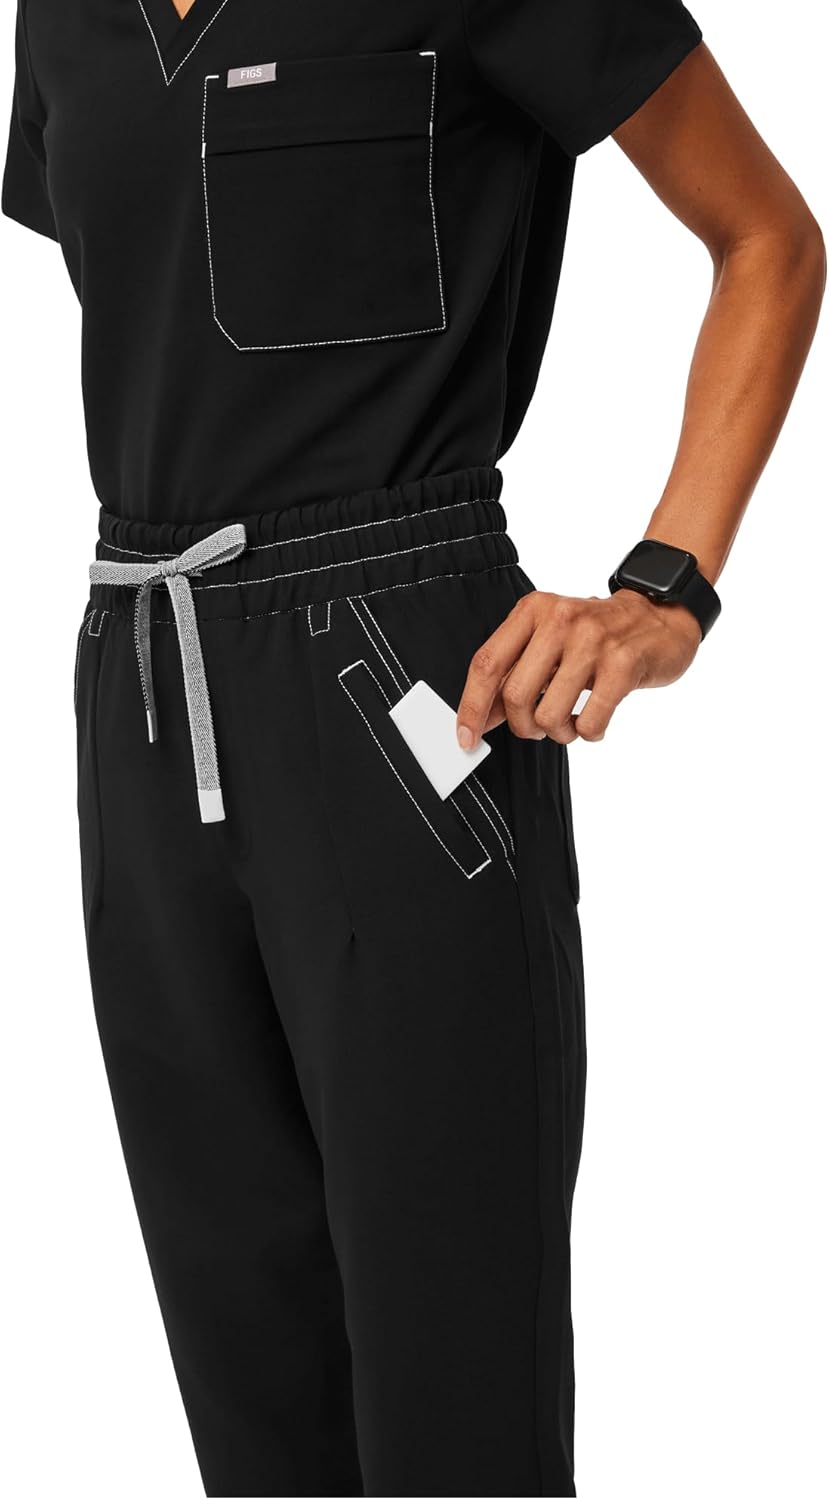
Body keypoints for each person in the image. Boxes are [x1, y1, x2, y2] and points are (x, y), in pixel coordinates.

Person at [2, 0, 823, 1495]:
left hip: (401, 686)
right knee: (255, 1403)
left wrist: (667, 588)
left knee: (457, 1415)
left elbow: (766, 238)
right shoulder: (61, 16)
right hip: (140, 681)